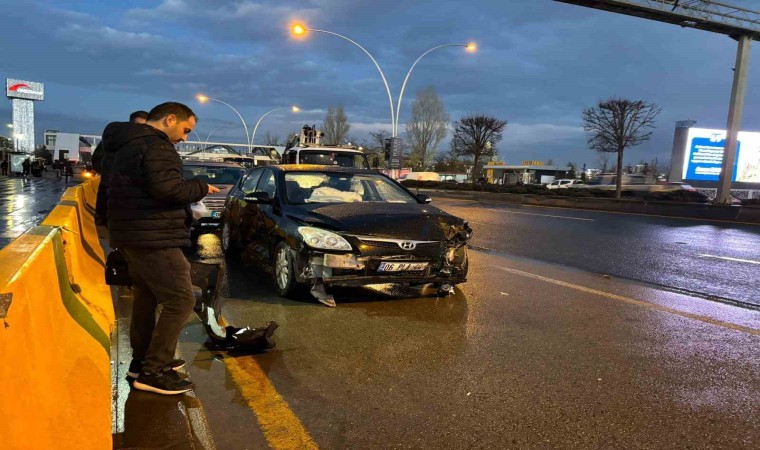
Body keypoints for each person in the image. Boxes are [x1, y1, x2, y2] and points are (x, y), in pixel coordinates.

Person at [107, 102, 219, 395]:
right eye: (185, 130)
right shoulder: (155, 146)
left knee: (146, 297)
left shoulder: (124, 144)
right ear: (170, 119)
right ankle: (154, 371)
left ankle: (141, 362)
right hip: (153, 236)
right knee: (181, 300)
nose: (185, 138)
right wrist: (201, 187)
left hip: (132, 233)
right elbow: (169, 190)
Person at [93, 110, 149, 226]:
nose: (140, 129)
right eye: (138, 125)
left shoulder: (113, 139)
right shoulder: (115, 141)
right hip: (116, 194)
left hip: (121, 196)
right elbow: (97, 160)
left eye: (144, 126)